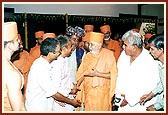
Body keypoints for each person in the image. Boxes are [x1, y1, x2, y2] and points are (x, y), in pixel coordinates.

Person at [25, 38, 81, 111]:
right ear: (50, 53)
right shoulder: (40, 67)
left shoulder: (46, 64)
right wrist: (71, 102)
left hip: (46, 106)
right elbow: (53, 93)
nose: (60, 53)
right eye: (58, 51)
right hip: (38, 107)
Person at [114, 30, 160, 111]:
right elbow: (119, 75)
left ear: (134, 47)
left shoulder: (150, 59)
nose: (123, 47)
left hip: (140, 104)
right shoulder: (124, 55)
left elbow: (149, 85)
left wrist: (128, 99)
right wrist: (117, 94)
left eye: (125, 45)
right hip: (121, 102)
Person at [75, 32, 118, 111]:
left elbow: (114, 75)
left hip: (102, 95)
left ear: (99, 45)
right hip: (89, 93)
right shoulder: (88, 56)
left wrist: (97, 74)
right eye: (89, 44)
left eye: (92, 45)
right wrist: (77, 86)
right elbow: (83, 74)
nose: (90, 47)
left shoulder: (108, 55)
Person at [50, 35, 81, 111]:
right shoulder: (57, 64)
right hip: (61, 103)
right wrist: (71, 91)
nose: (72, 49)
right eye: (70, 46)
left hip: (67, 100)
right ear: (64, 48)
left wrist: (73, 86)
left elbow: (65, 80)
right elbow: (56, 88)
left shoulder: (64, 60)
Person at [3, 22, 26, 111]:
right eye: (16, 40)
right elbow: (19, 109)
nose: (19, 41)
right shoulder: (11, 74)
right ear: (10, 46)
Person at [140, 34, 164, 111]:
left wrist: (156, 106)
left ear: (161, 49)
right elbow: (162, 83)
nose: (150, 52)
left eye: (152, 49)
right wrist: (150, 94)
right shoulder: (160, 64)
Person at [11, 34, 29, 98]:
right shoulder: (8, 56)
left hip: (24, 82)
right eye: (18, 42)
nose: (21, 44)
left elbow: (28, 68)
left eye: (21, 42)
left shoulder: (25, 54)